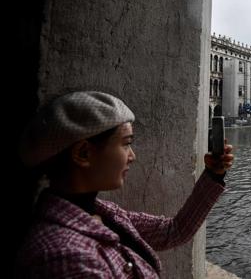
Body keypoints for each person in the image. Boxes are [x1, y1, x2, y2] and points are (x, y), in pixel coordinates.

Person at [15, 91, 233, 278]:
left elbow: (173, 231)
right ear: (83, 153)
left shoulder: (105, 213)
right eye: (126, 143)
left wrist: (213, 175)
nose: (132, 156)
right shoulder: (64, 259)